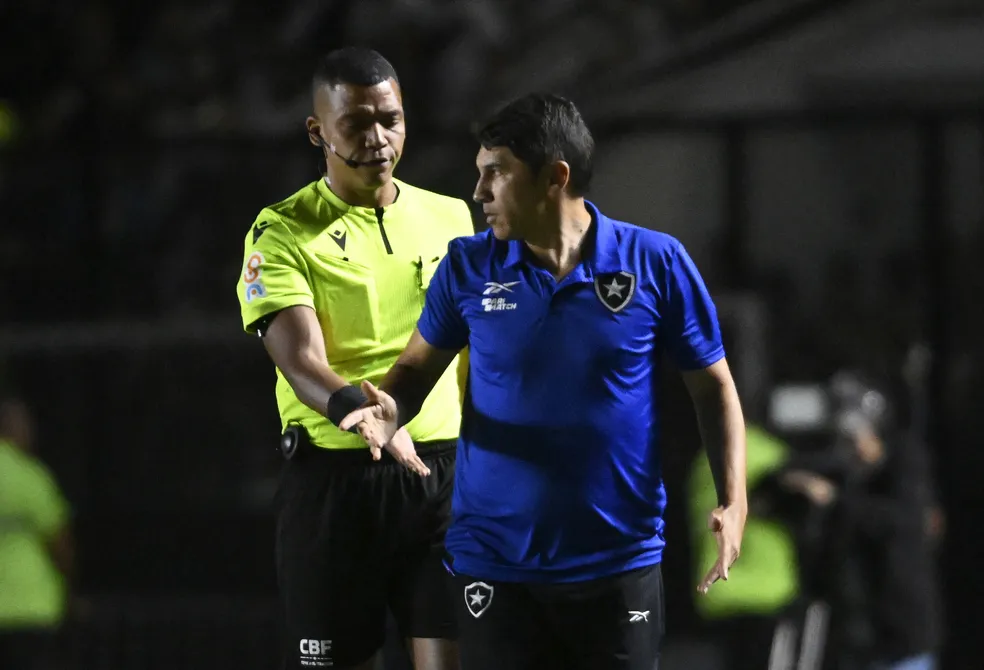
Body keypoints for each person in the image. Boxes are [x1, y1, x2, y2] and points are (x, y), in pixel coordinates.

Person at [340, 92, 748, 670]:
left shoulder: (657, 262)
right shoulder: (468, 265)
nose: (478, 192)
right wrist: (390, 411)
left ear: (555, 177)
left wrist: (734, 500)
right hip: (494, 567)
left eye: (496, 173)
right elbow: (414, 369)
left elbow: (715, 387)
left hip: (618, 562)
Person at [235, 47, 473, 670]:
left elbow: (477, 348)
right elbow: (300, 358)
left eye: (389, 119)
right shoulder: (281, 229)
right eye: (356, 124)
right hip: (336, 484)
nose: (378, 138)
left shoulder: (451, 217)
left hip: (440, 480)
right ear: (318, 131)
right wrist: (361, 414)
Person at [0, 395, 73, 670]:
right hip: (31, 607)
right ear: (14, 429)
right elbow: (61, 542)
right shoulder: (31, 477)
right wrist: (68, 588)